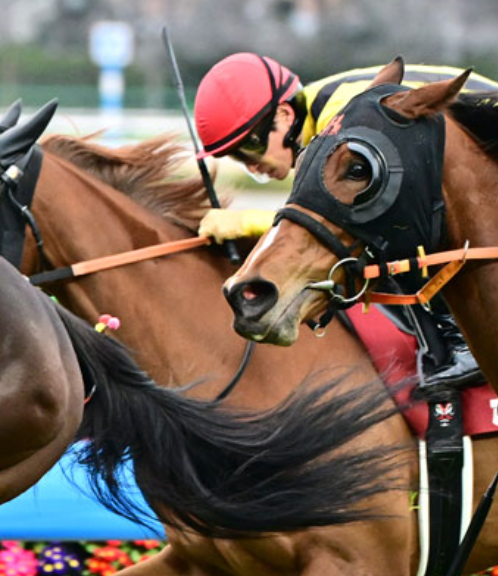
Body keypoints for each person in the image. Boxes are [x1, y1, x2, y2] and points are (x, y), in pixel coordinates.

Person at [194, 53, 498, 387]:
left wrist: (243, 223)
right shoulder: (325, 112)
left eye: (249, 148)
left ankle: (456, 342)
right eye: (236, 157)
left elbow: (336, 216)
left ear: (283, 115)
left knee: (382, 235)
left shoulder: (340, 117)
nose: (251, 166)